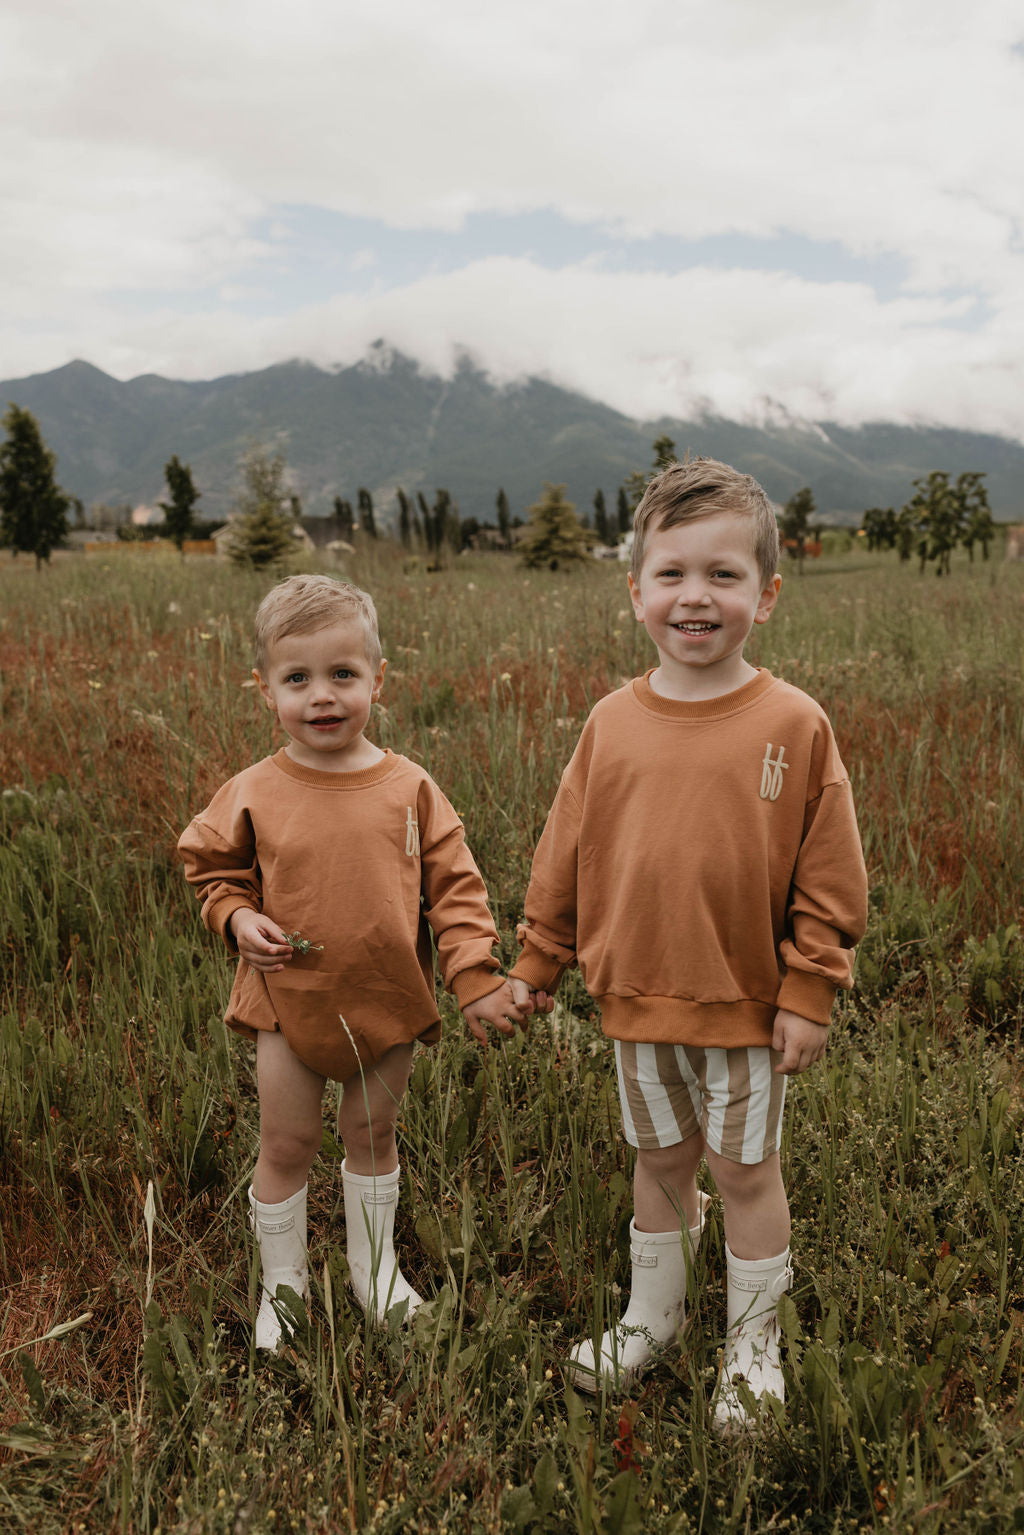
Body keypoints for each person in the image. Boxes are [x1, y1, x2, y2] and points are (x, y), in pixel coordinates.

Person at [510, 458, 867, 1429]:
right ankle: (653, 1314)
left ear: (766, 594)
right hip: (635, 1002)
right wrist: (538, 959)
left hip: (746, 1006)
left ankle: (753, 1345)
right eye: (671, 573)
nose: (695, 595)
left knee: (745, 1172)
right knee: (660, 1160)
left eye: (723, 573)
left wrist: (809, 988)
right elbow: (563, 852)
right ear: (635, 592)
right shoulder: (611, 722)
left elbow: (829, 878)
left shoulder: (793, 723)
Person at [179, 574, 525, 1350]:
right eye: (297, 678)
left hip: (383, 997)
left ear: (378, 679)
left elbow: (458, 892)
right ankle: (285, 1287)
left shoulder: (410, 788)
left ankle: (376, 1271)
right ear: (265, 690)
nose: (322, 696)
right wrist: (236, 916)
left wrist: (474, 977)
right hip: (284, 999)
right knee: (288, 1142)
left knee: (372, 1135)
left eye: (343, 674)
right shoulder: (256, 790)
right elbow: (211, 867)